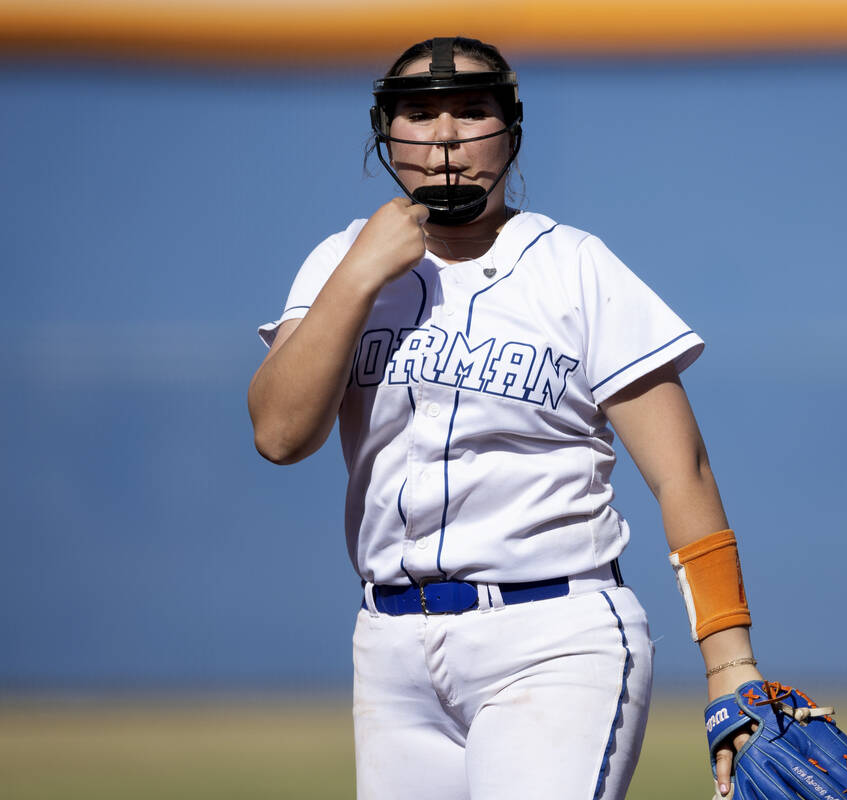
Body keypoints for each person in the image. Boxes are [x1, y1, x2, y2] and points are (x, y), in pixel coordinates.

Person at [249, 36, 762, 800]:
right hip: (390, 648)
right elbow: (280, 434)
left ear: (512, 131)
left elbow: (682, 472)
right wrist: (359, 270)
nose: (446, 135)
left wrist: (732, 667)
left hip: (554, 636)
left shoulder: (574, 267)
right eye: (418, 114)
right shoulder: (337, 265)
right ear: (384, 132)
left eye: (471, 110)